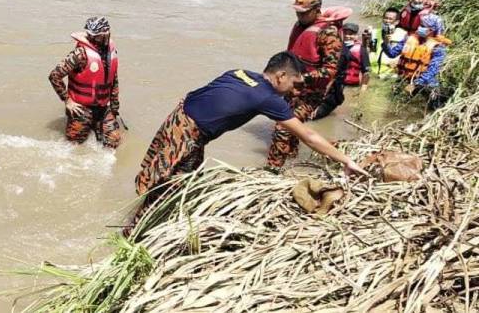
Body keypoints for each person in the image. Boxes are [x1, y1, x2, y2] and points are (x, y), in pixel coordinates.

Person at [131, 52, 368, 231]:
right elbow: (308, 136)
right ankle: (134, 234)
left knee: (170, 179)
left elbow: (205, 96)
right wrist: (346, 160)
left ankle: (155, 221)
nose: (294, 92)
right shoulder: (268, 97)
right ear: (281, 76)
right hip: (188, 134)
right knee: (166, 190)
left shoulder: (238, 73)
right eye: (294, 84)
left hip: (178, 118)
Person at [268, 0, 344, 167]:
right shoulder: (300, 25)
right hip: (291, 88)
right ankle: (291, 160)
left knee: (283, 127)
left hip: (311, 92)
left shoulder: (328, 33)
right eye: (297, 11)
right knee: (289, 127)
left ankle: (272, 169)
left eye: (303, 12)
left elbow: (330, 70)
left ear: (317, 9)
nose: (299, 15)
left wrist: (303, 78)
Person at [48, 16, 121, 148]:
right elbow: (54, 76)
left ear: (107, 34)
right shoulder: (79, 54)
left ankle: (97, 125)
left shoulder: (111, 52)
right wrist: (67, 101)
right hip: (81, 108)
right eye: (93, 36)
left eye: (99, 36)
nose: (95, 39)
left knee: (114, 141)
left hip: (103, 108)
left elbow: (113, 80)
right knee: (74, 145)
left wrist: (114, 109)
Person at [382, 13, 451, 108]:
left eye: (423, 26)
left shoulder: (438, 47)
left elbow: (433, 70)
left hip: (426, 85)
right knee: (394, 105)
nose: (419, 27)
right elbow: (392, 53)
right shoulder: (409, 38)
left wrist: (415, 84)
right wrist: (386, 43)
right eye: (420, 25)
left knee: (427, 109)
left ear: (432, 30)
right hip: (405, 80)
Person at [311, 23, 371, 120]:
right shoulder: (335, 47)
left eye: (351, 34)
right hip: (339, 84)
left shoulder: (361, 50)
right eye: (345, 33)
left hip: (353, 87)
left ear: (356, 35)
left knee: (348, 112)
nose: (348, 36)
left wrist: (362, 92)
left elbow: (367, 72)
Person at [375, 7, 408, 78]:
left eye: (390, 19)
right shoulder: (374, 32)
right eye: (385, 18)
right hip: (373, 71)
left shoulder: (403, 35)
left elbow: (402, 54)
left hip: (390, 73)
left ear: (397, 22)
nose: (387, 21)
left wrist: (387, 43)